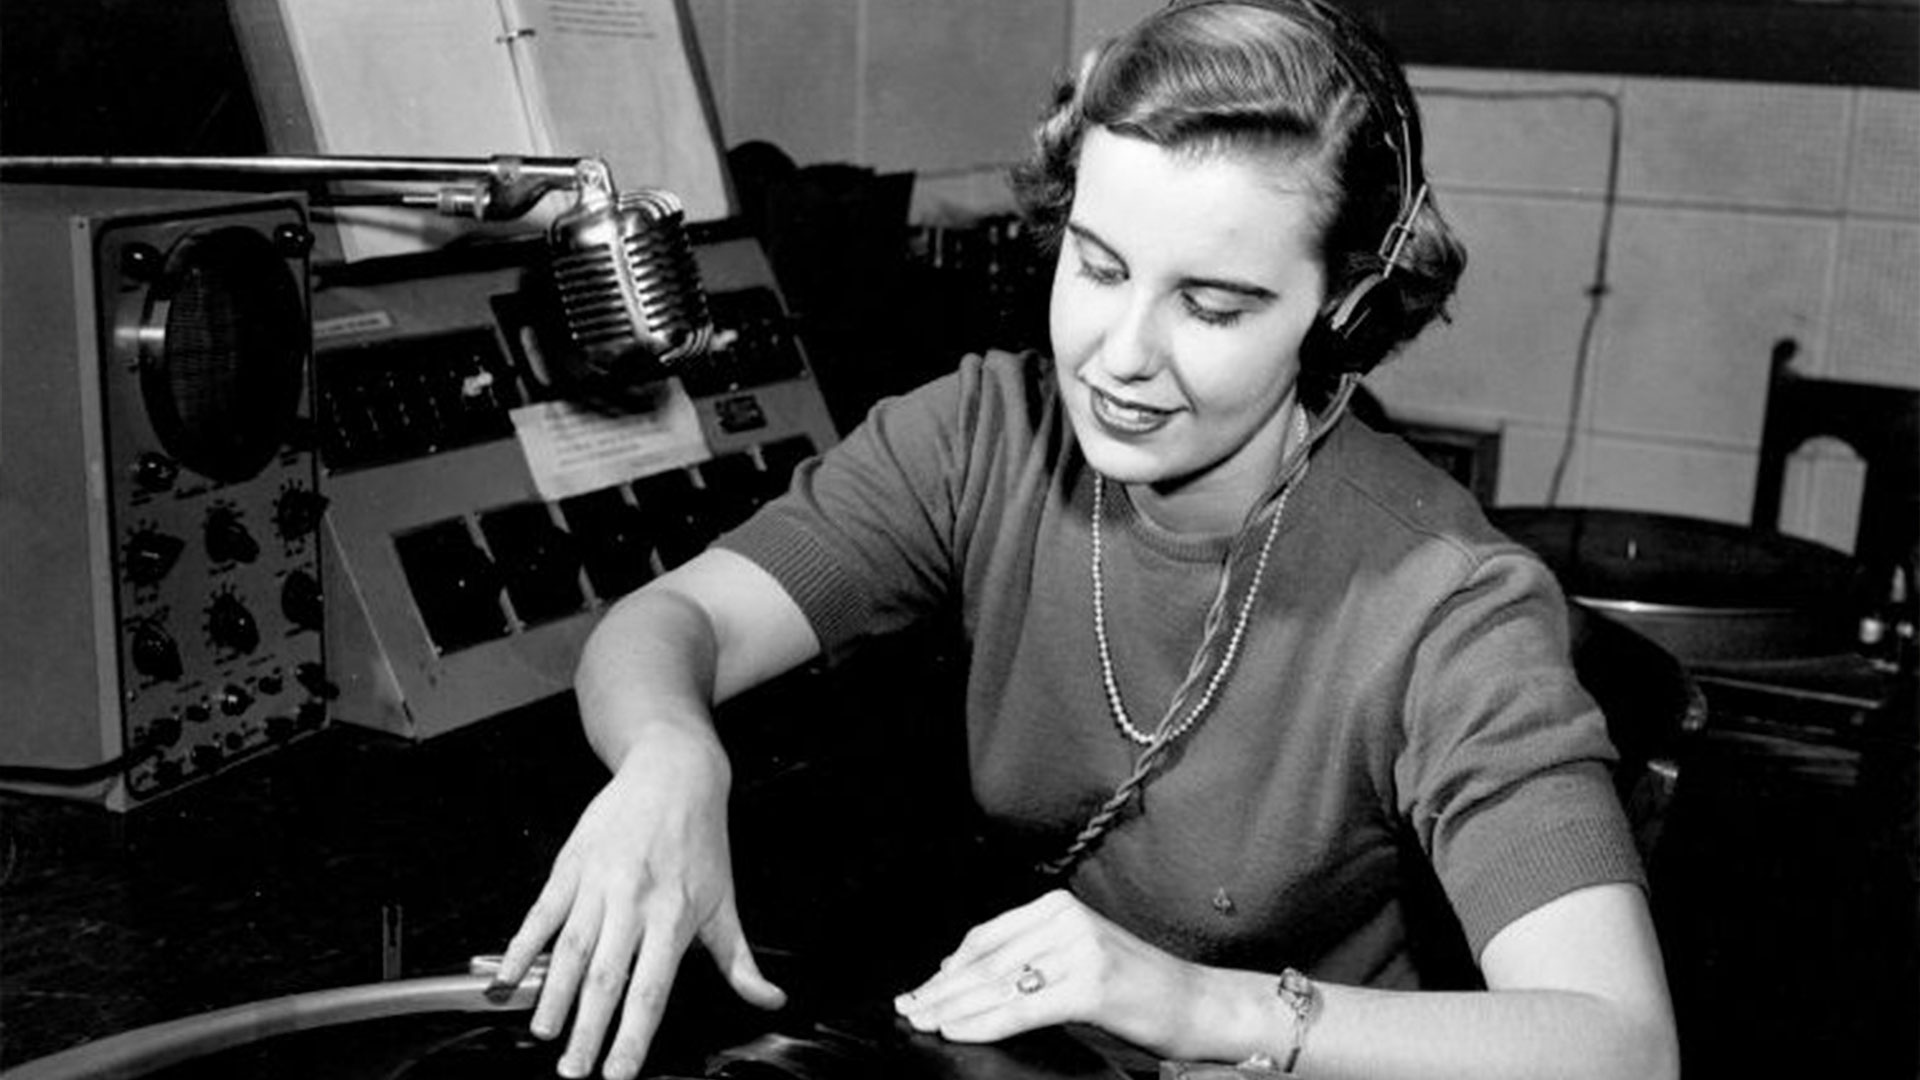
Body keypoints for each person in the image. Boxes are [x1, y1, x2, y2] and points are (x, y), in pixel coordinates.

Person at [490, 1, 1680, 1077]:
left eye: (1212, 306)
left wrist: (1202, 1007)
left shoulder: (1447, 603)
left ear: (1343, 315)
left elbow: (1618, 1043)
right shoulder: (982, 436)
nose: (1121, 355)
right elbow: (669, 622)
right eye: (1098, 266)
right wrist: (669, 759)